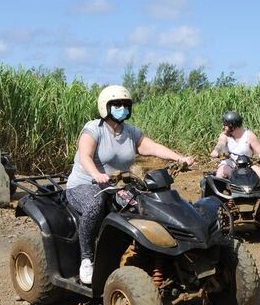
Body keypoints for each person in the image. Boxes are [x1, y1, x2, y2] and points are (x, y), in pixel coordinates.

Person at [66, 85, 194, 285]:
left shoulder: (130, 132)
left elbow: (151, 147)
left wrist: (179, 158)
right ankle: (87, 259)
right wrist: (97, 174)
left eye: (125, 104)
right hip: (84, 185)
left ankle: (154, 257)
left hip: (116, 186)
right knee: (95, 206)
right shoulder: (93, 129)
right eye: (117, 104)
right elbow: (85, 156)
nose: (122, 108)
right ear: (105, 106)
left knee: (147, 205)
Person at [210, 111, 260, 179]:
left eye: (225, 125)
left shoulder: (249, 136)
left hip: (247, 165)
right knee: (221, 172)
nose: (223, 127)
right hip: (230, 164)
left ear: (233, 126)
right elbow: (220, 144)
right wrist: (216, 151)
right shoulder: (224, 135)